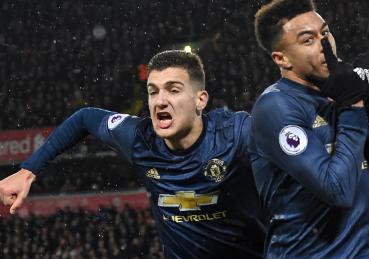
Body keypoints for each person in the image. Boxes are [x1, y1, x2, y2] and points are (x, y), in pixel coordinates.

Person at [0, 50, 265, 258]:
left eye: (173, 90)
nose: (160, 100)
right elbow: (85, 118)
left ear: (201, 100)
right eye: (153, 91)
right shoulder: (139, 139)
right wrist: (28, 170)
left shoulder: (236, 133)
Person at [250, 0, 369, 258]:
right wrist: (353, 106)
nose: (325, 45)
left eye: (325, 33)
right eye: (307, 40)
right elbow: (337, 190)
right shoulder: (276, 106)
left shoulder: (342, 93)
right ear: (281, 58)